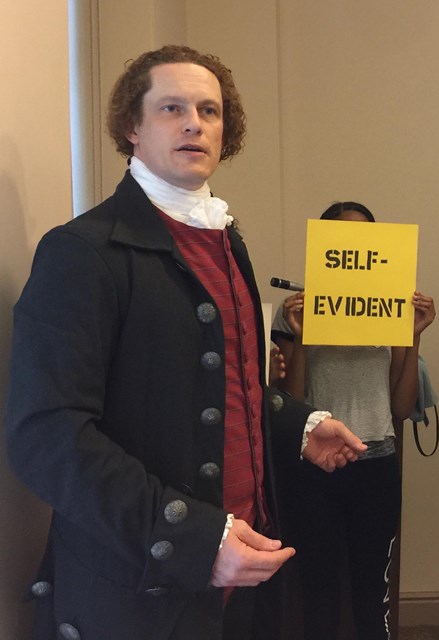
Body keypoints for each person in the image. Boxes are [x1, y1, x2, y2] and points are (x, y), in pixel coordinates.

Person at [4, 45, 367, 640]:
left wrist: (295, 424)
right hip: (138, 580)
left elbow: (220, 382)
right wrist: (194, 538)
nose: (195, 122)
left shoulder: (226, 240)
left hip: (242, 559)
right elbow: (45, 434)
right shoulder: (83, 251)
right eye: (171, 107)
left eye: (209, 110)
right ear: (132, 127)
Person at [271, 201, 436, 640]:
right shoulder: (295, 309)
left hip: (376, 460)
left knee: (373, 588)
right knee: (317, 585)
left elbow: (401, 409)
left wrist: (414, 336)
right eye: (343, 237)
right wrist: (302, 339)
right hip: (314, 466)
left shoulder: (391, 304)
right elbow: (293, 402)